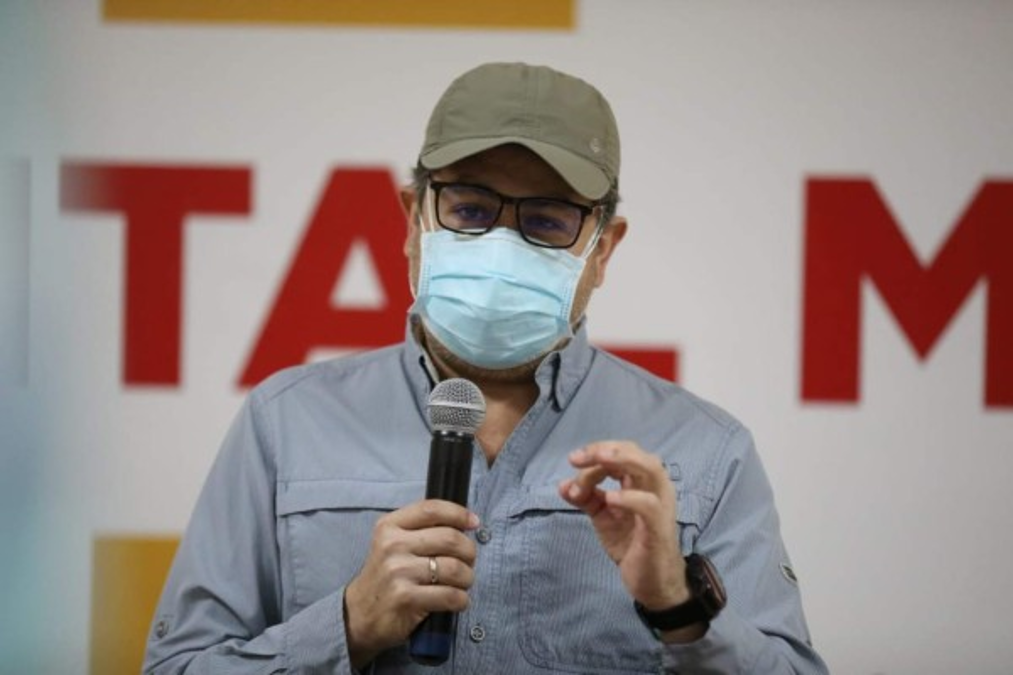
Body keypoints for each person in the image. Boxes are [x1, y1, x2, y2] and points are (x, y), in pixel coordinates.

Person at [144, 62, 828, 674]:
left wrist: (679, 608)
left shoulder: (706, 452)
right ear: (414, 219)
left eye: (547, 221)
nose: (501, 246)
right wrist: (349, 625)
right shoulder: (286, 421)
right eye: (469, 209)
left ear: (602, 250)